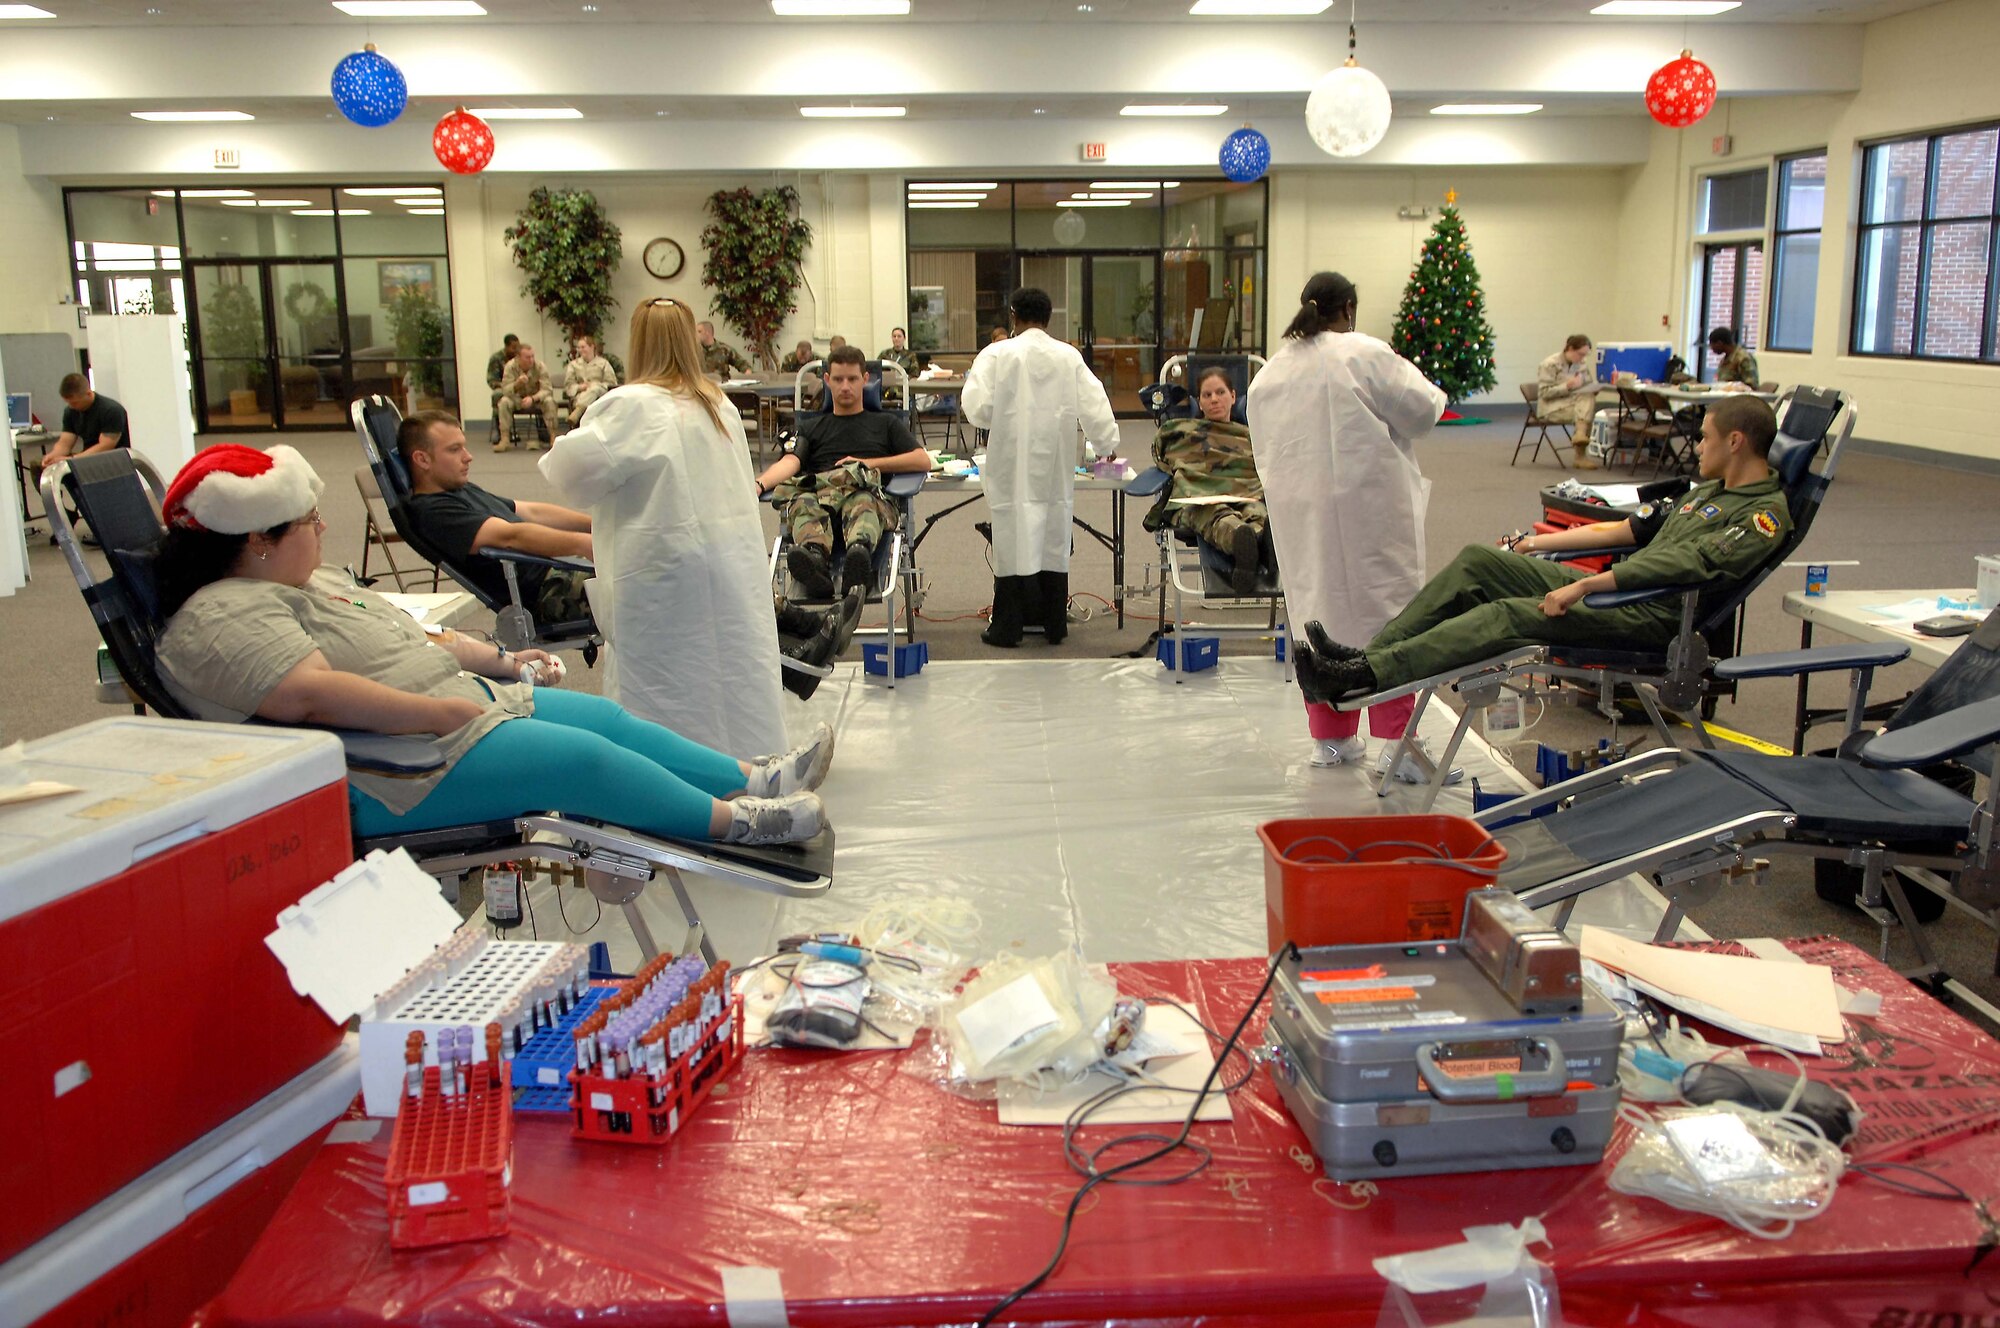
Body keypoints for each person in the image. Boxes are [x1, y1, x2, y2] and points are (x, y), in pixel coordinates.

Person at [151, 443, 832, 848]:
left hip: (449, 708)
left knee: (611, 721)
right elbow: (307, 694)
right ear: (257, 539)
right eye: (307, 519)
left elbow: (408, 639)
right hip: (396, 766)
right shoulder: (221, 614)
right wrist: (438, 715)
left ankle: (752, 778)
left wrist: (501, 661)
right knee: (586, 762)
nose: (323, 526)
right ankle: (737, 823)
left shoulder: (306, 579)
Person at [1294, 395, 1789, 705]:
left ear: (1737, 441)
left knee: (1507, 616)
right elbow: (1627, 532)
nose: (1698, 448)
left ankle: (1368, 674)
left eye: (1705, 438)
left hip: (1651, 617)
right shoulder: (1705, 492)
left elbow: (1686, 564)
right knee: (1479, 561)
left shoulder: (1762, 516)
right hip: (1617, 593)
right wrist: (1533, 544)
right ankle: (1367, 657)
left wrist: (1586, 584)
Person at [401, 412, 860, 700]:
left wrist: (600, 526)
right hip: (550, 588)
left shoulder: (459, 490)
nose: (469, 456)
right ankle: (793, 659)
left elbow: (530, 510)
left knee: (697, 562)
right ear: (422, 460)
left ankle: (804, 630)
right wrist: (594, 546)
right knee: (689, 583)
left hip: (567, 572)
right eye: (454, 449)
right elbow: (511, 537)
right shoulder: (434, 510)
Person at [540, 298, 787, 760]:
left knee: (666, 689)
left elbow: (568, 474)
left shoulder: (626, 406)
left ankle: (672, 790)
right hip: (728, 563)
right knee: (735, 674)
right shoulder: (718, 403)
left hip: (662, 574)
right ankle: (752, 774)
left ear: (637, 342)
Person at [1247, 271, 1449, 779]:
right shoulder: (1364, 353)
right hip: (1371, 515)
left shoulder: (1270, 373)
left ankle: (1331, 739)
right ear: (1349, 309)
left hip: (1302, 516)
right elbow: (1423, 412)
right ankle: (1397, 746)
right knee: (1387, 618)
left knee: (1319, 614)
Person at [960, 286, 1119, 648]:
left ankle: (1008, 628)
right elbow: (1095, 403)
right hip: (1056, 464)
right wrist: (1106, 444)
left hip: (1010, 462)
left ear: (1013, 315)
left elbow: (977, 409)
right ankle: (1053, 626)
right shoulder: (1068, 356)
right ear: (1049, 318)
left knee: (1012, 536)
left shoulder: (997, 354)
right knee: (1052, 534)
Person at [753, 345, 930, 599]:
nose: (845, 386)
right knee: (802, 500)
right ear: (827, 381)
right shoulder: (811, 427)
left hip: (864, 499)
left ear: (865, 380)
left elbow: (921, 460)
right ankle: (815, 566)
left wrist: (868, 464)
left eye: (852, 379)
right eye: (837, 379)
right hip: (819, 503)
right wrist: (758, 485)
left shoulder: (885, 423)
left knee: (863, 501)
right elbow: (791, 462)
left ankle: (858, 562)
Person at [1146, 367, 1269, 595]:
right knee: (1213, 514)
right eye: (1207, 395)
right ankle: (1244, 542)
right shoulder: (1181, 432)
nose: (1214, 399)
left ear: (1233, 396)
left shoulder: (1250, 436)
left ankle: (1258, 542)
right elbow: (1162, 457)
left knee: (1257, 511)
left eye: (1220, 393)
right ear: (1199, 402)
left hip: (1244, 494)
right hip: (1198, 498)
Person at [38, 373, 131, 472]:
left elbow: (106, 446)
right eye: (68, 402)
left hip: (114, 459)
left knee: (68, 467)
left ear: (89, 394)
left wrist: (73, 459)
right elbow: (65, 443)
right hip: (87, 456)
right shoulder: (70, 411)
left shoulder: (111, 410)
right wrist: (53, 455)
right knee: (42, 466)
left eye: (75, 402)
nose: (71, 406)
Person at [1536, 334, 1601, 472]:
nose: (1582, 358)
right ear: (1570, 349)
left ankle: (1580, 435)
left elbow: (1587, 384)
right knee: (1586, 412)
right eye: (1580, 354)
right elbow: (1544, 394)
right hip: (1551, 407)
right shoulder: (1549, 364)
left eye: (1585, 355)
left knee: (1587, 398)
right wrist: (1568, 386)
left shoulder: (1581, 364)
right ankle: (1580, 455)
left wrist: (1594, 389)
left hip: (1575, 404)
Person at [496, 343, 559, 451]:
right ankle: (505, 439)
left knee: (550, 401)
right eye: (527, 357)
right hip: (517, 399)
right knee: (504, 402)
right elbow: (505, 390)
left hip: (536, 399)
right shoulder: (510, 367)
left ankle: (553, 438)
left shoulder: (540, 366)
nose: (531, 360)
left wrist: (533, 398)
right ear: (518, 358)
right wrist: (517, 384)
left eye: (532, 356)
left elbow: (547, 389)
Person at [562, 334, 619, 425]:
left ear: (592, 347)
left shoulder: (603, 363)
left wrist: (595, 386)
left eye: (583, 347)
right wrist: (580, 387)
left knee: (595, 388)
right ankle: (580, 410)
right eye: (578, 348)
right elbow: (568, 386)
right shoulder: (573, 365)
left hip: (600, 396)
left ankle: (578, 411)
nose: (580, 350)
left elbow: (611, 383)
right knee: (590, 392)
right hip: (580, 396)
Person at [485, 333, 519, 414]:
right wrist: (506, 386)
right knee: (497, 394)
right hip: (503, 387)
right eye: (513, 348)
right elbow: (492, 380)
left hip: (519, 386)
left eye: (518, 348)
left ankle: (542, 423)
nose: (516, 351)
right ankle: (499, 422)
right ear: (506, 346)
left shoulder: (519, 357)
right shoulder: (496, 358)